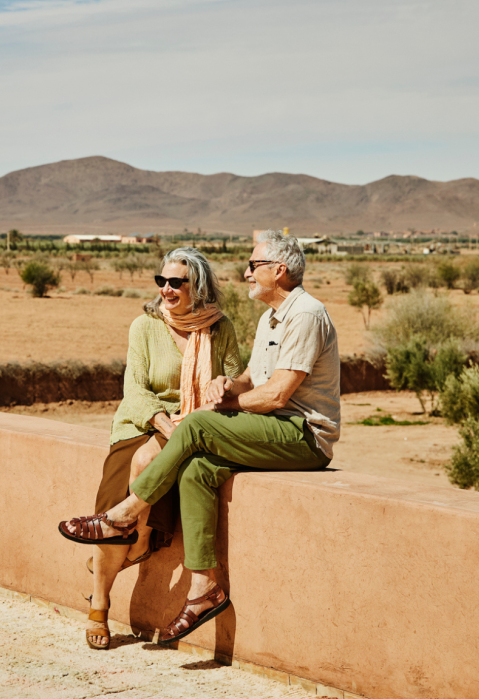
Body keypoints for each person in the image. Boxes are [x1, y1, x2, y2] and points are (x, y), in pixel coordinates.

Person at [59, 229, 340, 644]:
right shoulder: (270, 317)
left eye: (253, 264)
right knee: (198, 471)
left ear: (278, 270)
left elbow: (279, 393)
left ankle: (125, 516)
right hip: (166, 425)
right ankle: (204, 588)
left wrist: (218, 407)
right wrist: (228, 385)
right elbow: (250, 378)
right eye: (163, 281)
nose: (246, 272)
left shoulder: (304, 315)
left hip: (299, 432)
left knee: (196, 426)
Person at [71, 246, 241, 650]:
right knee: (114, 496)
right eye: (161, 281)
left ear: (197, 286)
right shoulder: (144, 326)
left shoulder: (220, 328)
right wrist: (164, 423)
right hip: (142, 422)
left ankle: (141, 542)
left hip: (196, 423)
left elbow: (235, 377)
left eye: (176, 282)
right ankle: (100, 604)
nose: (166, 289)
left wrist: (224, 388)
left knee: (142, 480)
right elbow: (135, 390)